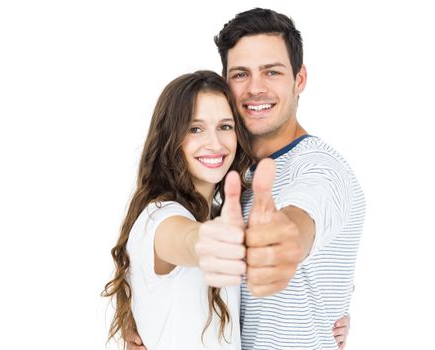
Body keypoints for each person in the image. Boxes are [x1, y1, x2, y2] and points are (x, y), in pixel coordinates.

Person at [198, 8, 366, 349]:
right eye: (241, 74)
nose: (255, 88)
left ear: (299, 80)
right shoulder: (222, 166)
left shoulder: (322, 167)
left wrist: (283, 243)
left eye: (271, 72)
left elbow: (302, 219)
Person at [102, 70, 254, 349]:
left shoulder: (217, 212)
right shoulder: (159, 217)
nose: (215, 143)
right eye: (195, 129)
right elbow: (187, 239)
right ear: (170, 139)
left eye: (225, 126)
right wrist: (216, 241)